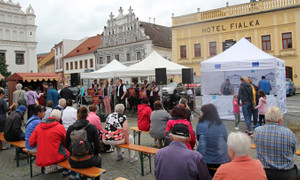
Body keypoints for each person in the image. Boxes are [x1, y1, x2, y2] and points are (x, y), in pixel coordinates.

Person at [254, 106, 299, 180]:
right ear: (280, 120)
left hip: (263, 172)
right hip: (285, 173)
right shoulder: (288, 133)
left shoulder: (257, 131)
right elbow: (293, 151)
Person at [65, 106, 102, 180]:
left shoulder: (71, 128)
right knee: (99, 158)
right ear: (87, 115)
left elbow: (66, 144)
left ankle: (82, 177)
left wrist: (75, 152)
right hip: (88, 160)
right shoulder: (92, 128)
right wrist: (94, 153)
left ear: (77, 115)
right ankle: (96, 178)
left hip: (73, 161)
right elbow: (98, 146)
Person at [196, 103, 230, 177]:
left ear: (204, 113)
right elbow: (226, 138)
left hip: (204, 159)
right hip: (222, 158)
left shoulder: (200, 124)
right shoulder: (221, 123)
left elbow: (198, 138)